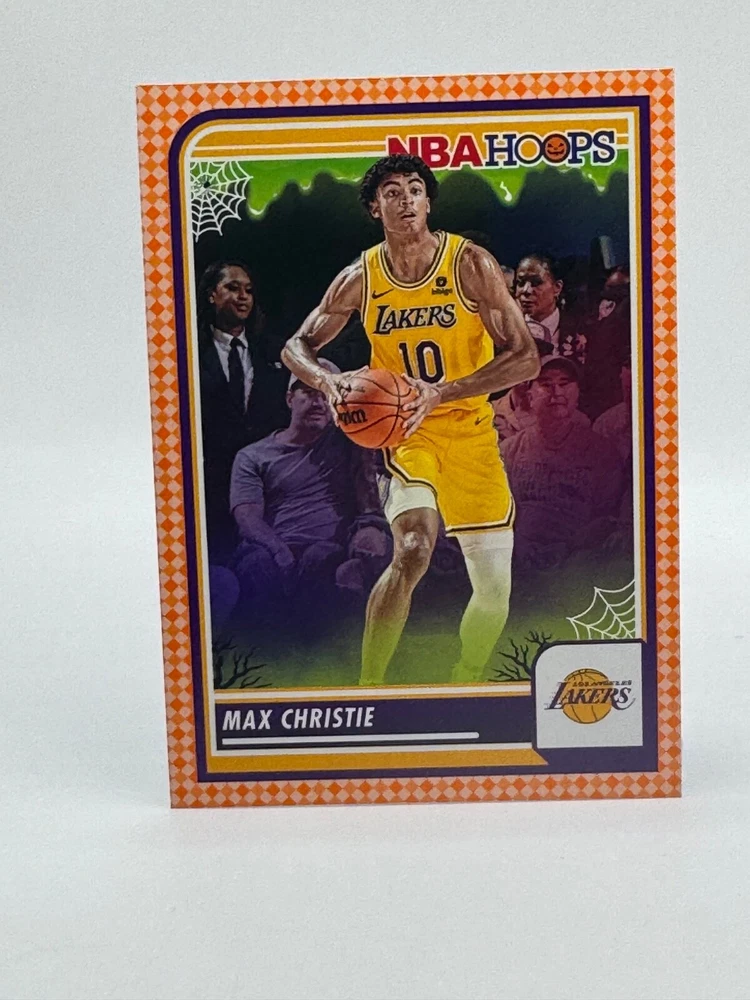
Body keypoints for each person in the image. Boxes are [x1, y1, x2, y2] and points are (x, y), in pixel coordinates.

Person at [282, 153, 539, 685]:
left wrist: (442, 392)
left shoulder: (470, 263)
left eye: (416, 189)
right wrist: (329, 382)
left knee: (494, 589)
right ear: (375, 208)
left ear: (428, 202)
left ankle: (466, 675)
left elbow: (525, 357)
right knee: (414, 548)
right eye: (393, 192)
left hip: (470, 432)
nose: (406, 200)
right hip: (405, 434)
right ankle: (369, 685)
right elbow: (296, 346)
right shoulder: (362, 276)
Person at [230, 360, 389, 634]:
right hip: (272, 546)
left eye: (327, 395)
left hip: (329, 547)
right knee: (256, 566)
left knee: (321, 559)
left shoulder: (350, 442)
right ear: (289, 399)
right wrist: (279, 551)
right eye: (309, 392)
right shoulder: (252, 456)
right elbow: (247, 518)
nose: (319, 402)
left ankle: (313, 647)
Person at [197, 260, 287, 562]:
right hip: (212, 487)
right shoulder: (187, 351)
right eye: (232, 288)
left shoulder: (274, 351)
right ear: (212, 294)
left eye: (248, 290)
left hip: (267, 487)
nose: (243, 296)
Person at [500, 356, 623, 572]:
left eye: (564, 384)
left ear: (577, 393)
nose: (556, 392)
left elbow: (607, 517)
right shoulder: (509, 450)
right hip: (517, 559)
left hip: (578, 562)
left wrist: (572, 550)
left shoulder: (602, 452)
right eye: (546, 384)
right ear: (529, 396)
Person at [515, 253, 587, 365]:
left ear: (557, 287)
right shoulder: (506, 331)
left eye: (536, 283)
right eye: (520, 283)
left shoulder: (581, 328)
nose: (526, 290)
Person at [580, 266, 631, 420]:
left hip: (615, 385)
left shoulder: (628, 312)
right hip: (594, 381)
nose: (609, 294)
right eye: (609, 288)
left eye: (619, 290)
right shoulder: (598, 308)